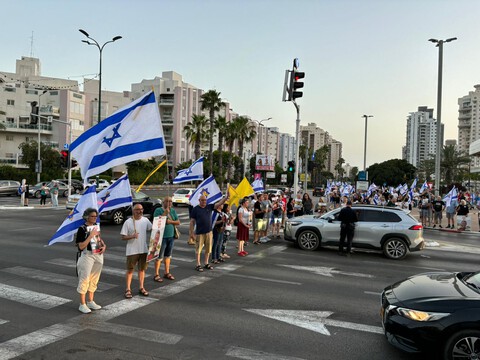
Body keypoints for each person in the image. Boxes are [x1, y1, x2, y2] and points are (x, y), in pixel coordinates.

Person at [75, 208, 106, 314]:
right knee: (84, 279)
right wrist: (90, 236)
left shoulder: (95, 227)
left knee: (94, 278)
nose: (94, 218)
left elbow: (99, 239)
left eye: (95, 216)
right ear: (87, 217)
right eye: (92, 216)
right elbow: (81, 246)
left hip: (97, 254)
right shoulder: (82, 229)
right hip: (87, 255)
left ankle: (90, 301)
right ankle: (82, 304)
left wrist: (103, 246)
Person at [189, 194, 228, 271]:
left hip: (209, 232)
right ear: (199, 201)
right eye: (202, 200)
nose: (204, 201)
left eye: (205, 200)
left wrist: (226, 198)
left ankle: (206, 263)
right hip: (200, 233)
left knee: (208, 249)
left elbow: (219, 204)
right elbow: (192, 222)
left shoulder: (209, 207)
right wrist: (191, 233)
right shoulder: (196, 209)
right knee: (198, 249)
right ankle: (198, 264)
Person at [120, 203, 152, 299]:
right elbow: (123, 237)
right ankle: (128, 289)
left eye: (141, 209)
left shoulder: (145, 220)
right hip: (132, 250)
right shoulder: (128, 222)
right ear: (133, 211)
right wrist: (132, 236)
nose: (140, 211)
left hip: (143, 249)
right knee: (130, 270)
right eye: (137, 209)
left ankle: (141, 287)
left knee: (142, 270)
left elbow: (153, 229)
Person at [152, 196, 180, 283]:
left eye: (171, 201)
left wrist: (170, 222)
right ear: (163, 202)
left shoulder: (173, 211)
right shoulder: (158, 210)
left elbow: (178, 222)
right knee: (159, 256)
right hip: (161, 237)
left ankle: (166, 272)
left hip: (170, 236)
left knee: (168, 255)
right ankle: (156, 274)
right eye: (167, 201)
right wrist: (165, 213)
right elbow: (157, 221)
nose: (169, 203)